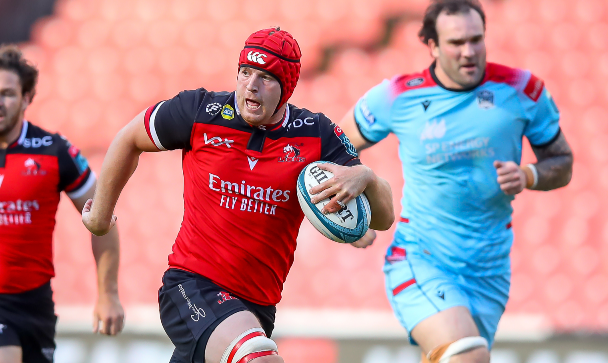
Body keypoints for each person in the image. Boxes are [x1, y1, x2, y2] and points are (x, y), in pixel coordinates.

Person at [82, 27, 394, 363]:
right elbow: (129, 138)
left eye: (266, 77)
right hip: (192, 286)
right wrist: (100, 217)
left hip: (258, 308)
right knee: (258, 358)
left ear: (287, 87)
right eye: (245, 72)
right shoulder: (200, 111)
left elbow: (384, 217)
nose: (251, 86)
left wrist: (366, 176)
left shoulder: (316, 135)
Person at [339, 0, 573, 362]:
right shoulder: (398, 96)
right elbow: (332, 147)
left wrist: (530, 174)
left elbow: (562, 162)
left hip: (489, 271)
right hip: (421, 259)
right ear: (432, 46)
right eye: (456, 42)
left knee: (459, 356)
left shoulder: (522, 89)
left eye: (476, 39)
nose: (469, 51)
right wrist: (347, 219)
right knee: (469, 355)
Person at [0, 45, 124, 363]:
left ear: (27, 98)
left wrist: (107, 293)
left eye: (7, 94)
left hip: (35, 304)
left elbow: (103, 217)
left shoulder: (54, 151)